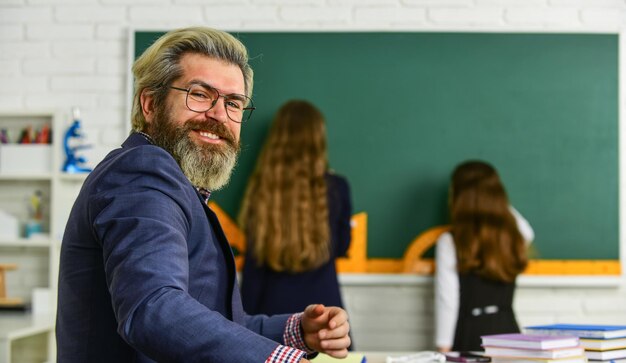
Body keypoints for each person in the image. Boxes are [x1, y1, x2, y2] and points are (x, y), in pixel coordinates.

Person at [56, 27, 350, 363]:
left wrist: (296, 332)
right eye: (199, 94)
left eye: (233, 103)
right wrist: (281, 360)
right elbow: (155, 310)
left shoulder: (176, 186)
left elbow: (214, 323)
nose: (218, 115)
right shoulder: (142, 171)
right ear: (150, 104)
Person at [238, 100, 353, 317]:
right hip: (325, 313)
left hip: (270, 315)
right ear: (318, 140)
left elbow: (253, 269)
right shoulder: (337, 187)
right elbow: (342, 247)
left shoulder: (261, 190)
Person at [434, 160, 534, 352]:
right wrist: (493, 200)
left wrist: (443, 349)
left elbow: (447, 300)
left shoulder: (449, 242)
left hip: (469, 333)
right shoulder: (513, 235)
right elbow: (526, 228)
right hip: (509, 331)